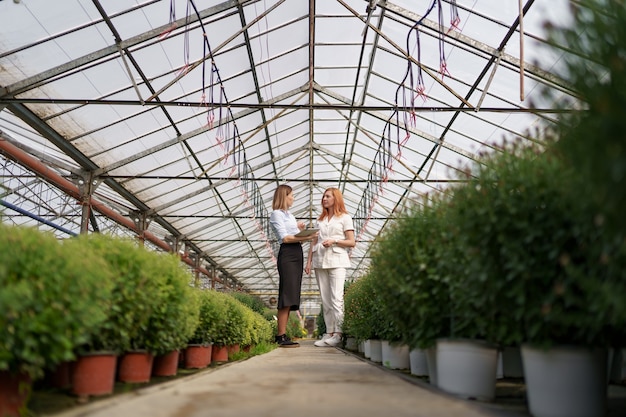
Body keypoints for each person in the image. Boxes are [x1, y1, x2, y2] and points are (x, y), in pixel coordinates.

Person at [305, 187, 355, 347]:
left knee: (336, 298)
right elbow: (313, 242)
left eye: (328, 196)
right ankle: (329, 332)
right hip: (320, 261)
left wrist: (334, 241)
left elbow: (351, 241)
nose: (324, 199)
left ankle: (339, 334)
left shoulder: (345, 218)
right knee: (326, 300)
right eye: (323, 196)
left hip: (337, 261)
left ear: (336, 199)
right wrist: (308, 262)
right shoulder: (320, 220)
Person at [269, 184, 316, 348]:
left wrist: (299, 229)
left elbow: (293, 235)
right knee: (286, 294)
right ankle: (280, 335)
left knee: (292, 295)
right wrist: (307, 237)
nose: (293, 198)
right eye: (292, 195)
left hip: (296, 253)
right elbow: (285, 238)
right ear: (284, 196)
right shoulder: (276, 214)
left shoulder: (290, 215)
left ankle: (283, 335)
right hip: (288, 253)